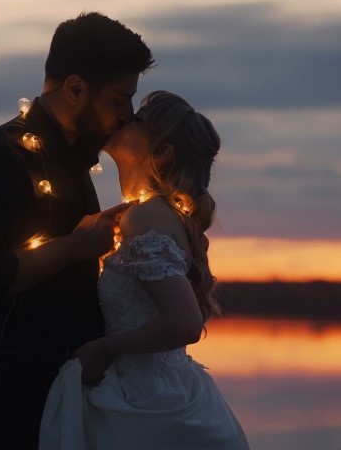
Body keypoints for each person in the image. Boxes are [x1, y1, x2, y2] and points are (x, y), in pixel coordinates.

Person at [0, 12, 154, 449]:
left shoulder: (75, 163)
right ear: (75, 89)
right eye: (118, 99)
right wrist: (74, 248)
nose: (128, 115)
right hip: (5, 397)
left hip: (65, 392)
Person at [39, 91, 250, 449]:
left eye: (137, 120)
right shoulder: (151, 213)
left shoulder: (146, 215)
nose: (123, 118)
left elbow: (185, 323)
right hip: (159, 390)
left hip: (148, 402)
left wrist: (104, 348)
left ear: (162, 152)